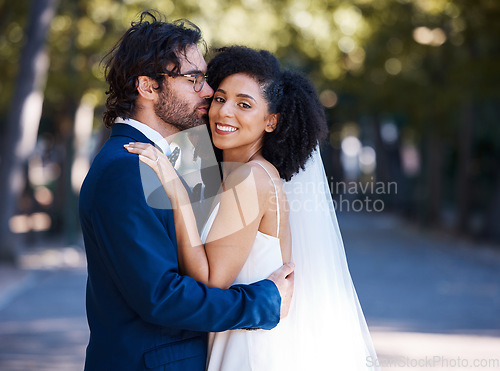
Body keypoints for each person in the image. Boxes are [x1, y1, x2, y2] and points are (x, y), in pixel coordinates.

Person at [126, 46, 380, 370]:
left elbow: (210, 284)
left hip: (248, 351)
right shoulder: (238, 176)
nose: (224, 112)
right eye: (219, 98)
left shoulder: (250, 178)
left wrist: (177, 194)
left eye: (244, 104)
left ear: (271, 121)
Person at [78, 12, 294, 371]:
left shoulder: (172, 161)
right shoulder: (127, 169)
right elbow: (160, 297)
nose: (208, 92)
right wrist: (263, 302)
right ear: (148, 87)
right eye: (194, 79)